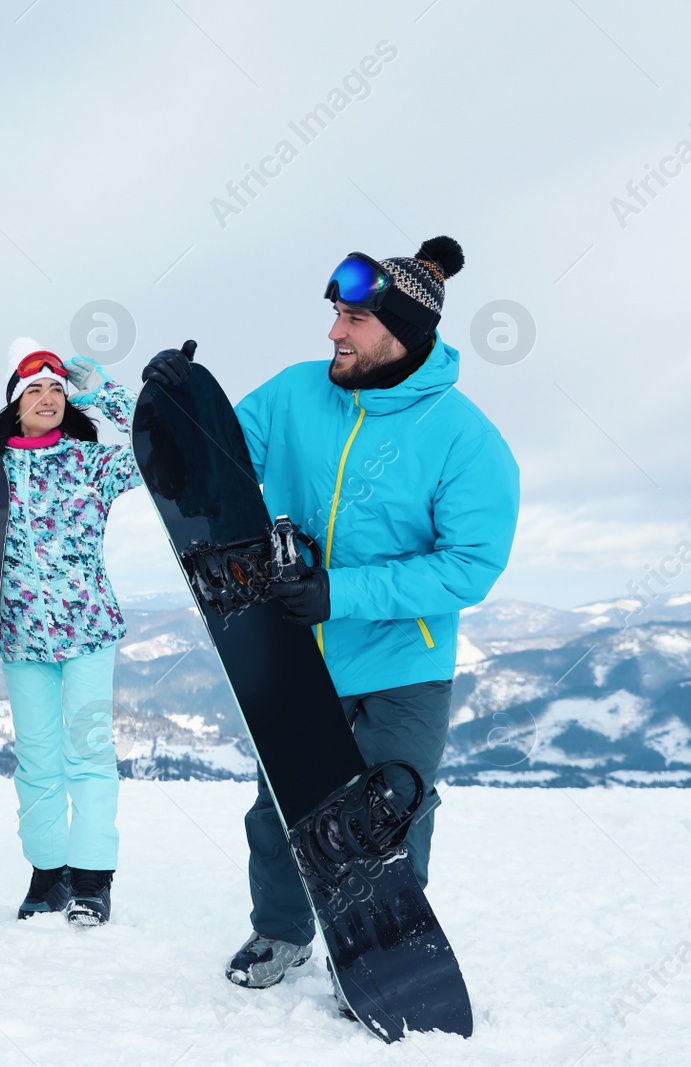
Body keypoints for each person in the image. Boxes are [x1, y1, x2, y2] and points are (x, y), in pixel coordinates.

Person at [145, 237, 520, 994]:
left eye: (352, 318)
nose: (334, 333)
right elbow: (212, 465)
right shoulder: (292, 395)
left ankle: (389, 950)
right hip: (294, 654)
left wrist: (340, 593)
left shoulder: (467, 439)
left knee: (388, 817)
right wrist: (176, 406)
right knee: (279, 812)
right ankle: (281, 931)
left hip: (400, 663)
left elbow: (470, 564)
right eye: (336, 315)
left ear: (403, 332)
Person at [0, 343, 148, 926]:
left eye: (57, 389)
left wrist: (108, 396)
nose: (48, 398)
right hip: (22, 638)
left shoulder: (92, 461)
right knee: (38, 760)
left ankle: (93, 879)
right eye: (34, 391)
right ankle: (49, 874)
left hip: (87, 631)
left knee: (88, 755)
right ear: (14, 406)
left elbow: (163, 447)